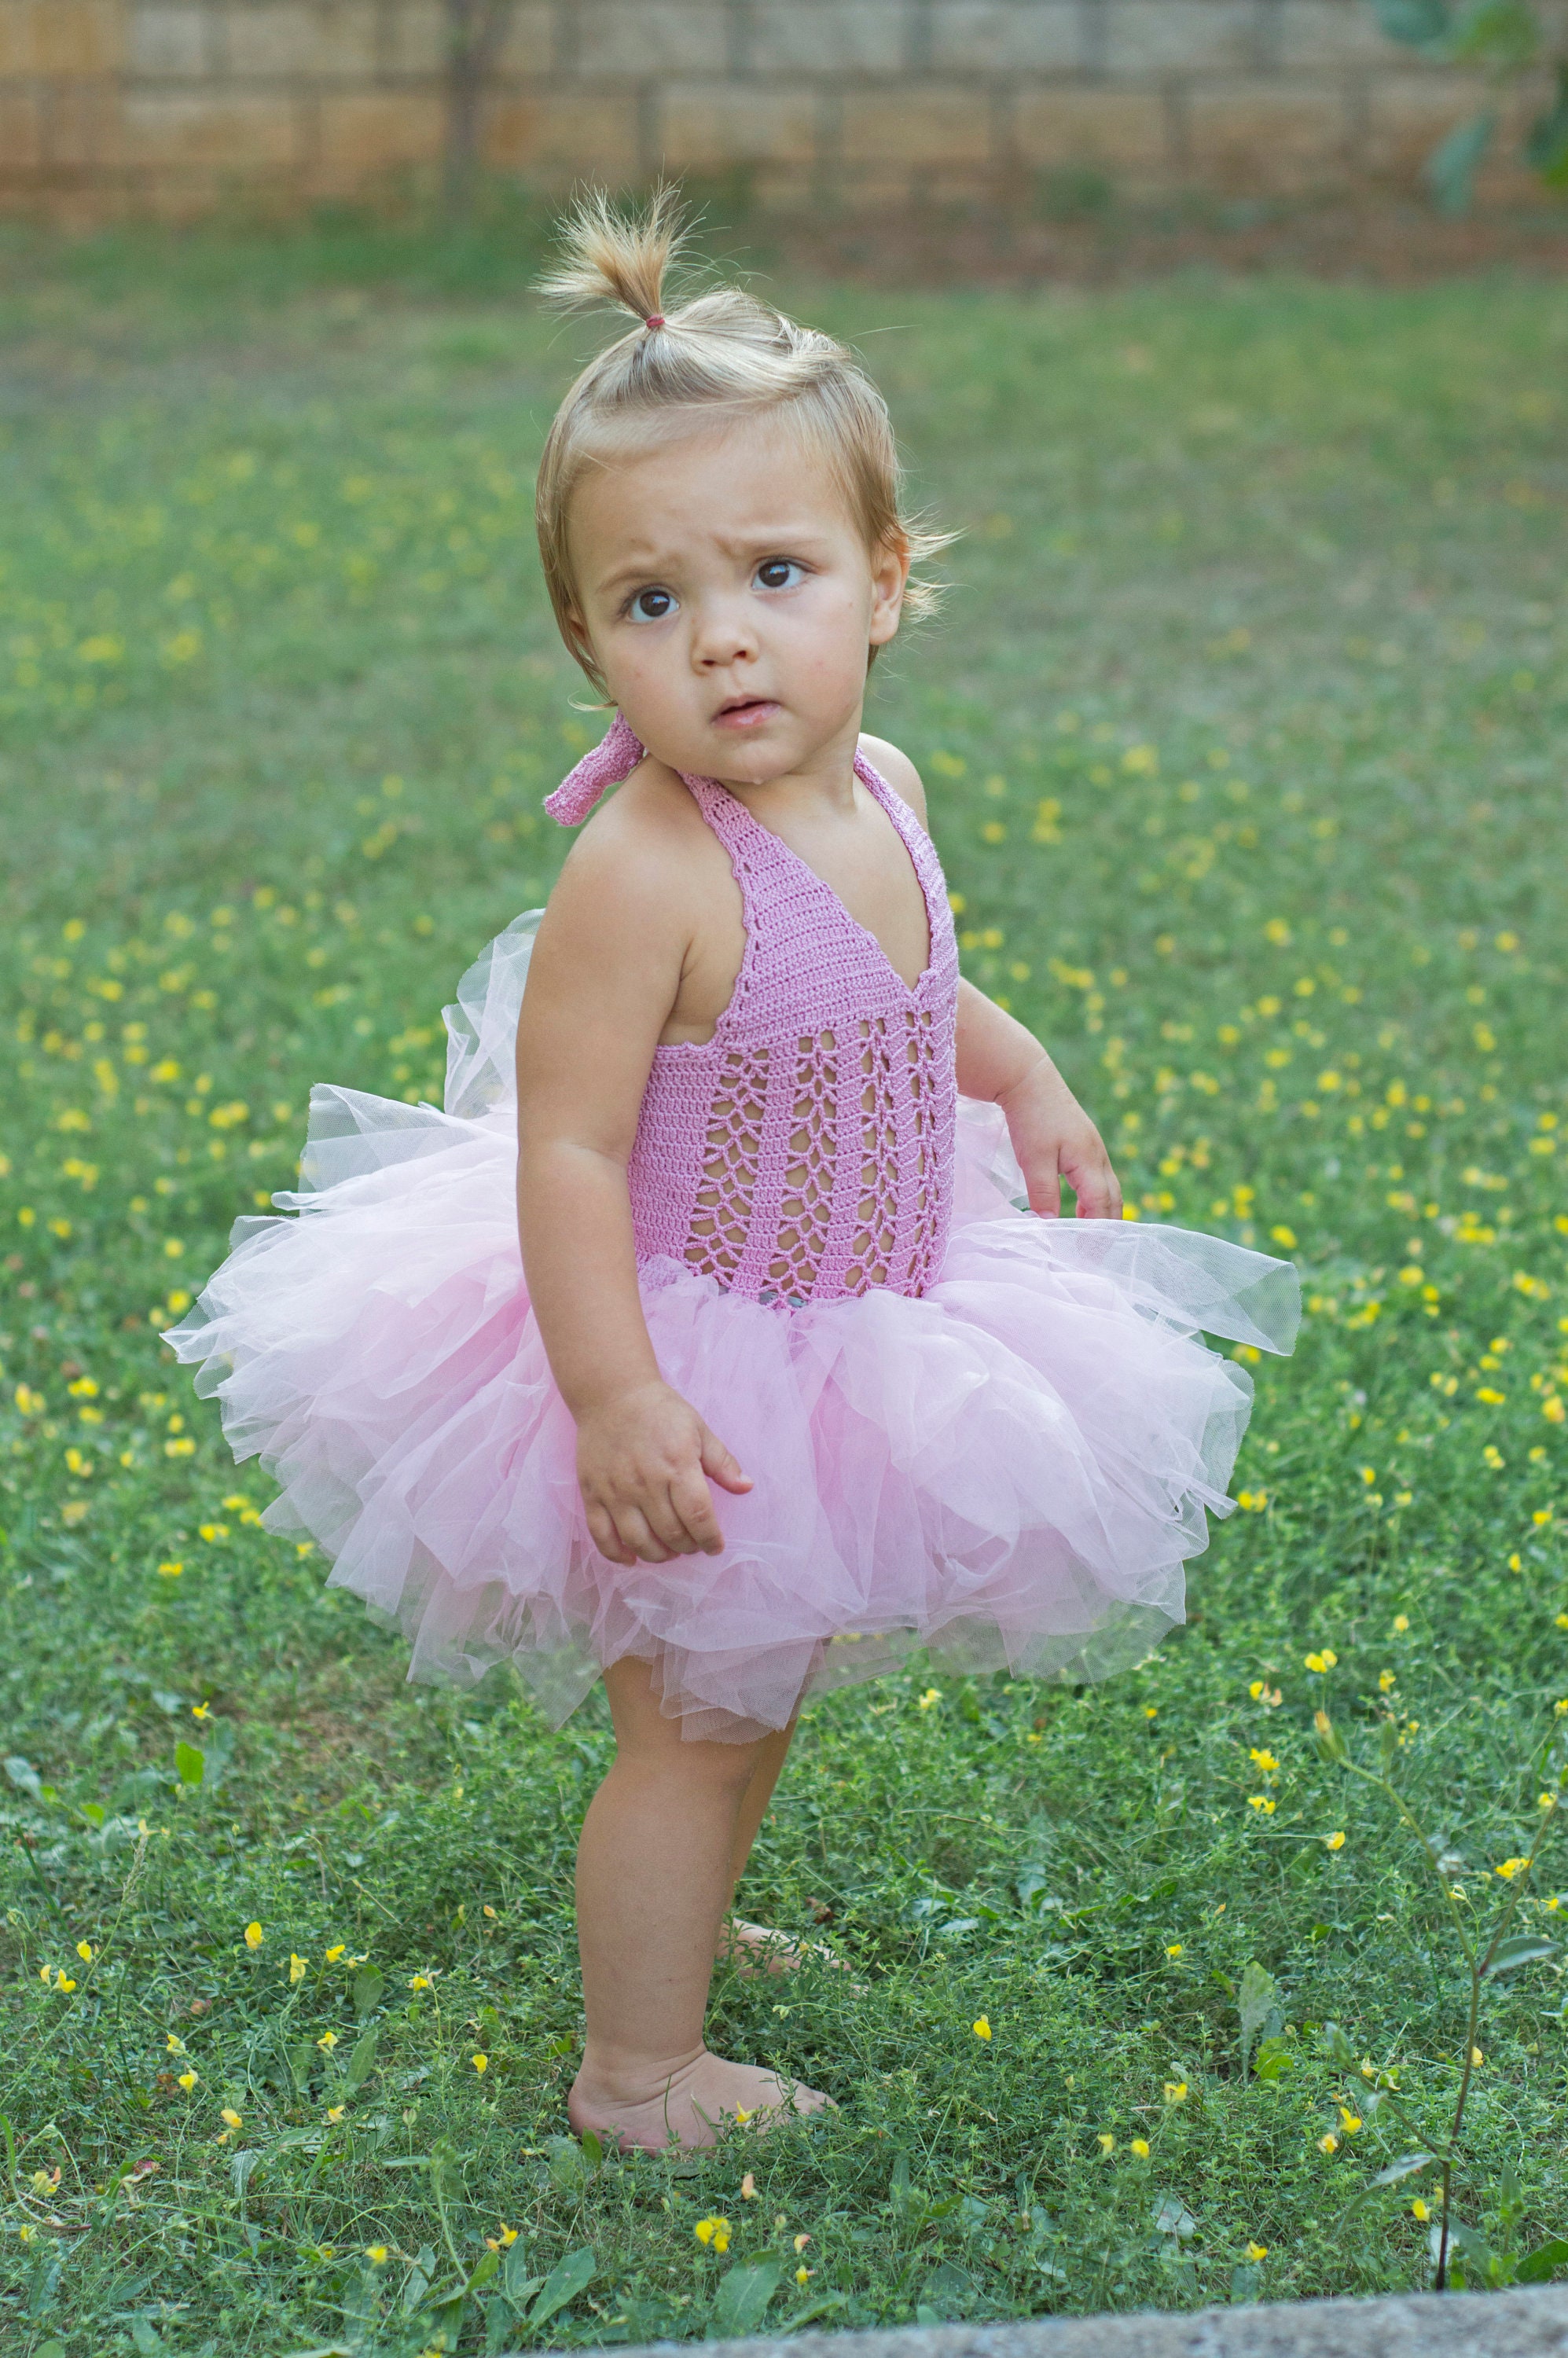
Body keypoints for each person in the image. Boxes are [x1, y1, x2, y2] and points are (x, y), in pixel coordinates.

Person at [169, 189, 1298, 2154]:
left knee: (743, 1683)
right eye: (650, 603)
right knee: (686, 1728)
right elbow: (571, 1149)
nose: (723, 640)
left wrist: (1016, 1075)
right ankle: (637, 2072)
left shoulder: (886, 790)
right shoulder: (643, 873)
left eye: (772, 573)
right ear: (585, 638)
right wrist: (615, 1395)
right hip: (693, 1345)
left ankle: (683, 1938)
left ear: (882, 581)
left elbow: (904, 981)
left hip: (857, 1313)